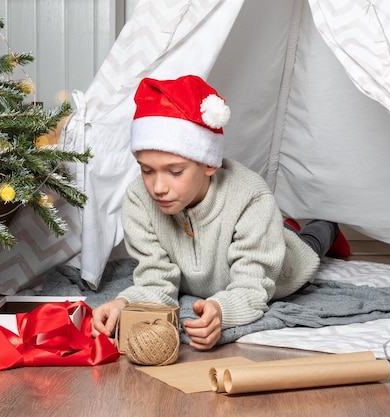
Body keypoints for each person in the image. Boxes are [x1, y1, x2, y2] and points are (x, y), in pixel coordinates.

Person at [91, 75, 345, 350]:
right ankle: (285, 226)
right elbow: (155, 280)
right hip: (248, 238)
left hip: (284, 263)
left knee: (308, 244)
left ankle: (327, 226)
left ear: (209, 164)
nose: (158, 187)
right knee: (276, 229)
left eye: (175, 172)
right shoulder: (138, 199)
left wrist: (223, 310)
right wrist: (125, 303)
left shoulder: (251, 196)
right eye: (146, 170)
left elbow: (251, 287)